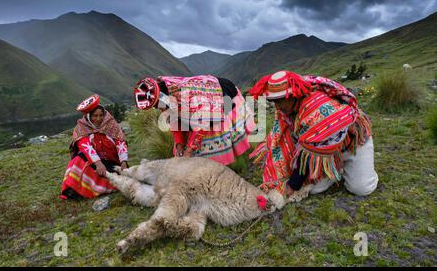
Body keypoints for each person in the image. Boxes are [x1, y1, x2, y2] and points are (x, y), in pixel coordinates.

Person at [249, 70, 378, 207]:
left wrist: (291, 186)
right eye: (274, 101)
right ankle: (335, 167)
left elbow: (305, 157)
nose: (277, 106)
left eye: (280, 100)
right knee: (316, 189)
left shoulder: (315, 109)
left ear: (294, 95)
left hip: (353, 143)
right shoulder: (286, 109)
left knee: (361, 188)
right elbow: (285, 139)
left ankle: (355, 166)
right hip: (320, 151)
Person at [133, 74, 255, 165]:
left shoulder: (187, 97)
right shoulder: (167, 97)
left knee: (210, 142)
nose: (159, 110)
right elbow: (174, 119)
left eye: (158, 105)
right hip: (194, 110)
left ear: (163, 97)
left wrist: (189, 150)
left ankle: (226, 167)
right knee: (185, 148)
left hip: (220, 95)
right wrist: (180, 145)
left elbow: (203, 125)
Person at [60, 94, 128, 200]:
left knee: (120, 179)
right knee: (78, 159)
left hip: (112, 162)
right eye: (95, 116)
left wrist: (123, 162)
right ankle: (75, 189)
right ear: (89, 116)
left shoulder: (111, 125)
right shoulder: (82, 128)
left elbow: (120, 142)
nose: (98, 119)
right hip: (94, 161)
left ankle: (97, 188)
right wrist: (98, 163)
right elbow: (86, 147)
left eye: (101, 115)